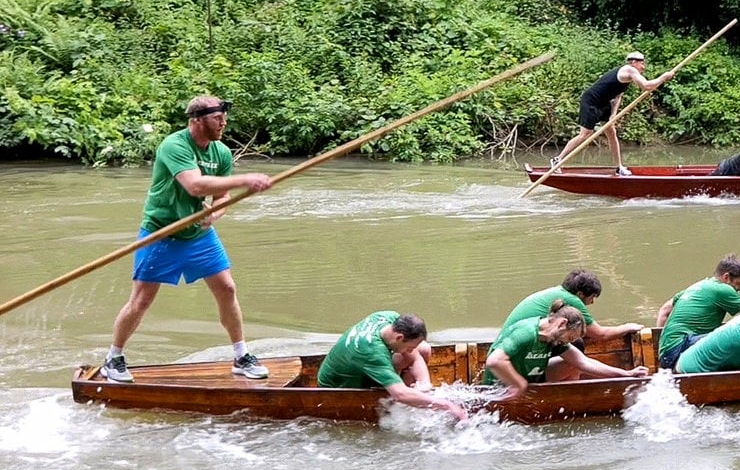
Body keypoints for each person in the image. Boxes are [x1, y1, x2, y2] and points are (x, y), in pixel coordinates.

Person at [100, 96, 274, 384]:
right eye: (217, 118)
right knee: (141, 300)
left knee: (227, 289)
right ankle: (113, 358)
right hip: (162, 233)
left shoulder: (221, 153)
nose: (224, 123)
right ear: (197, 120)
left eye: (224, 117)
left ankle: (241, 356)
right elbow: (195, 186)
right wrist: (246, 180)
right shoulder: (174, 145)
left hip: (199, 235)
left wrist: (214, 216)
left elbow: (222, 197)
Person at [317, 311, 467, 420]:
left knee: (424, 349)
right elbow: (399, 393)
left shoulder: (388, 317)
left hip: (362, 366)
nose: (411, 350)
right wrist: (447, 405)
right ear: (399, 337)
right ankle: (405, 402)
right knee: (401, 394)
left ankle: (412, 400)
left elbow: (416, 355)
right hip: (339, 387)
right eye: (409, 346)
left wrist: (424, 384)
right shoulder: (371, 352)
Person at [482, 300, 647, 398]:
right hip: (502, 388)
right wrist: (519, 384)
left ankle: (563, 401)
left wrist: (625, 374)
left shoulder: (553, 338)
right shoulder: (526, 333)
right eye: (569, 338)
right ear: (562, 324)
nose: (567, 342)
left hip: (532, 381)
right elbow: (495, 361)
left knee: (573, 364)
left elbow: (584, 362)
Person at [501, 269, 644, 381]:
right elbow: (600, 334)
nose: (592, 303)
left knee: (576, 346)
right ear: (580, 294)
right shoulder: (571, 300)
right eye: (592, 297)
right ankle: (570, 387)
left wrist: (625, 374)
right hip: (520, 352)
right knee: (578, 345)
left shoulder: (558, 292)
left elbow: (582, 361)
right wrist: (627, 327)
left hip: (519, 345)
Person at [551, 51, 674, 176]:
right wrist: (664, 77)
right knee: (585, 134)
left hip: (604, 103)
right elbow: (646, 86)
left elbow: (617, 96)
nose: (644, 67)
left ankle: (619, 167)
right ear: (634, 62)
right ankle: (557, 160)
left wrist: (613, 115)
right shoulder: (629, 70)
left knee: (611, 132)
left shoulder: (628, 76)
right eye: (642, 63)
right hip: (591, 101)